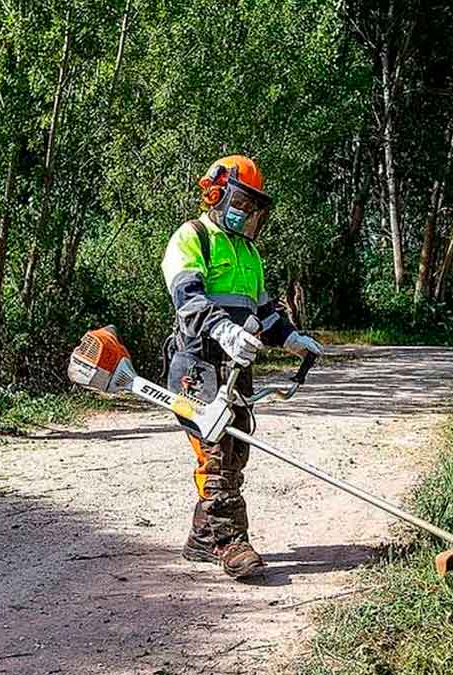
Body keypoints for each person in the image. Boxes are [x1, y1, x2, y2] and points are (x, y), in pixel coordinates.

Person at [161, 155, 322, 579]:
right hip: (198, 365)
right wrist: (222, 330)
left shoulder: (250, 253)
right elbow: (189, 300)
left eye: (254, 206)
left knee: (235, 454)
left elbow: (264, 311)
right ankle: (231, 542)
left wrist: (289, 338)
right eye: (241, 201)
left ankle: (202, 536)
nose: (247, 212)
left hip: (238, 370)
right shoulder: (192, 237)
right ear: (215, 192)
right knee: (214, 454)